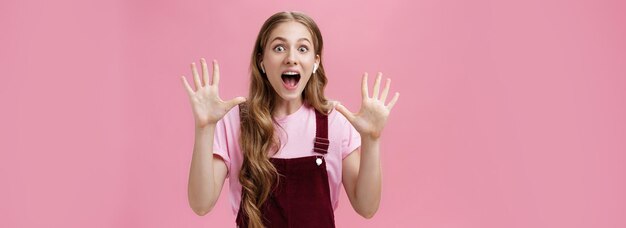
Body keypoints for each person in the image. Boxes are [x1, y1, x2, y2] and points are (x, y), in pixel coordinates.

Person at [182, 11, 399, 228]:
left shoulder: (335, 122)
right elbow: (201, 204)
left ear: (315, 62)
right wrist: (204, 128)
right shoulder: (235, 122)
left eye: (302, 48)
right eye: (279, 48)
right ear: (262, 61)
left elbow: (367, 207)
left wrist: (372, 139)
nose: (291, 58)